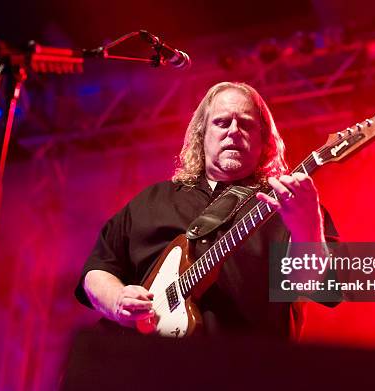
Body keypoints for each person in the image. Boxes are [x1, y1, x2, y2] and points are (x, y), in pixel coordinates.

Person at [75, 81, 339, 339]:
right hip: (145, 371)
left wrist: (308, 226)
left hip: (248, 374)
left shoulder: (290, 206)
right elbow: (98, 270)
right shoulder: (152, 201)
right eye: (222, 122)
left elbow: (326, 290)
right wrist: (117, 302)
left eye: (246, 124)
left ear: (264, 140)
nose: (234, 131)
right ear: (201, 134)